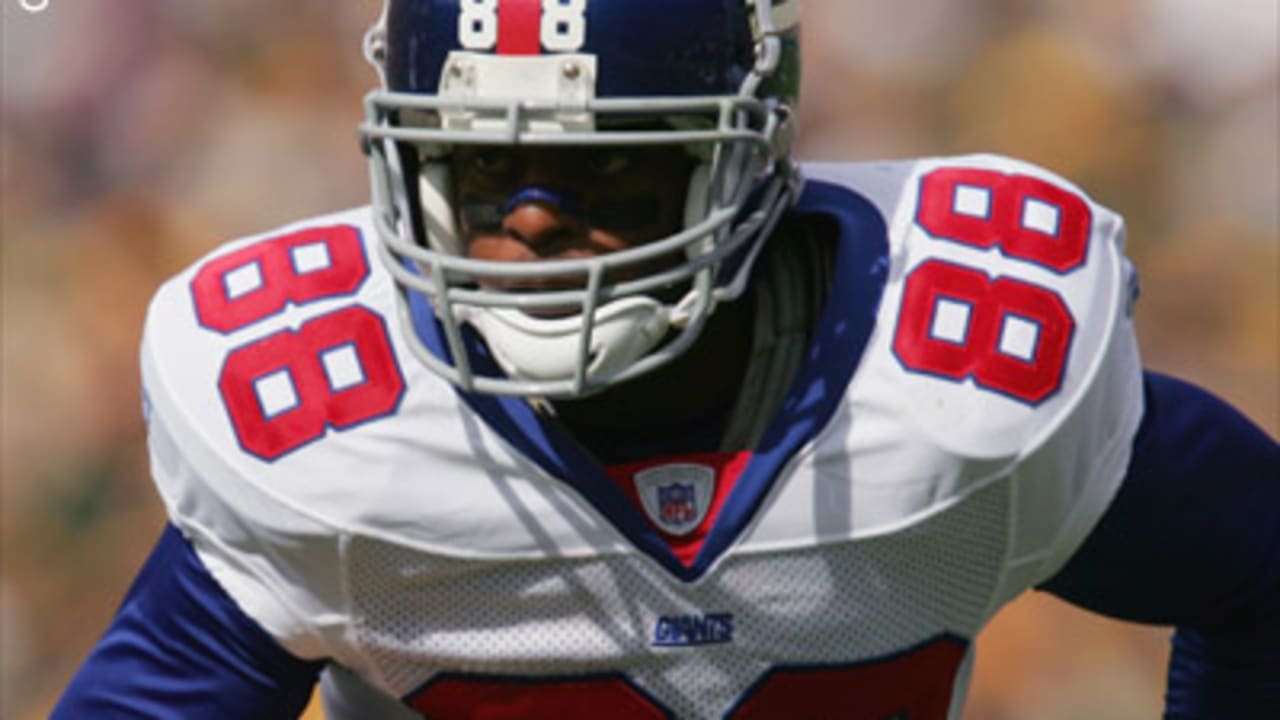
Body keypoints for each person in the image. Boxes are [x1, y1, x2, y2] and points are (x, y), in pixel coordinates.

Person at [54, 1, 1278, 718]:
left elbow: (1257, 572)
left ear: (745, 157)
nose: (530, 217)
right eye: (483, 169)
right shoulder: (332, 427)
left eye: (608, 169)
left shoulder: (962, 383)